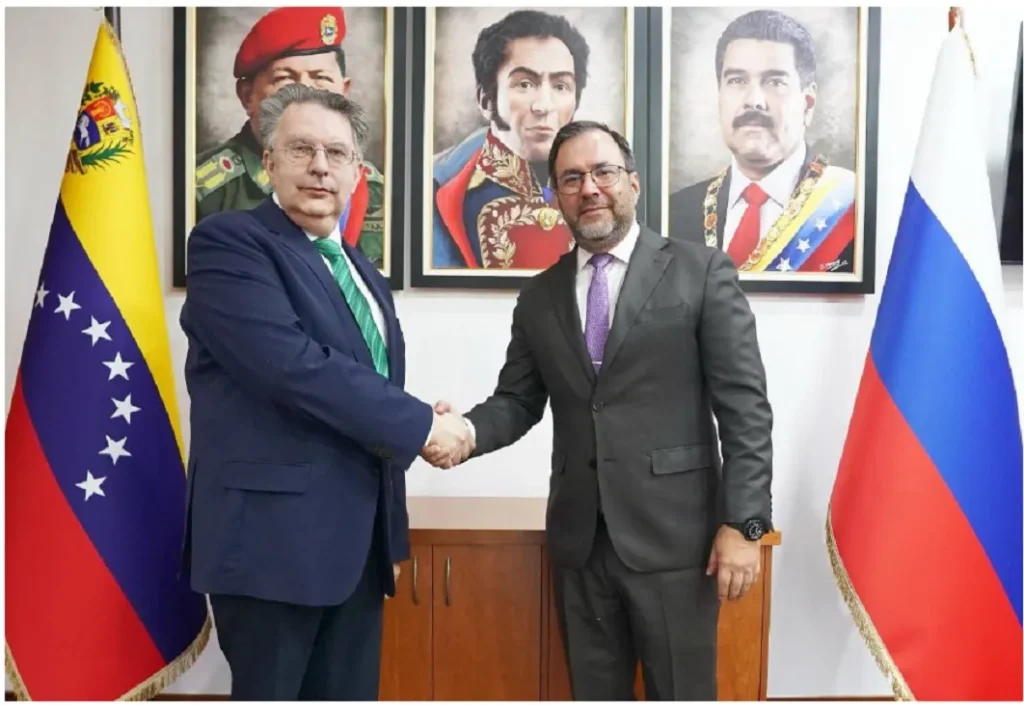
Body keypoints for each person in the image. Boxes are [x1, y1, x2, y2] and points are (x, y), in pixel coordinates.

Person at [425, 121, 774, 700]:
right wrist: (464, 432)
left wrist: (746, 525)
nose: (589, 188)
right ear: (555, 196)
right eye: (571, 178)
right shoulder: (539, 296)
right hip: (580, 546)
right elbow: (517, 401)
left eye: (603, 172)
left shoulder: (702, 272)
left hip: (678, 545)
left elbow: (746, 410)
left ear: (632, 183)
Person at [179, 84, 470, 700]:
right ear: (268, 162)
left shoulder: (363, 271)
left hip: (355, 554)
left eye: (336, 154)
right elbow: (294, 368)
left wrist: (388, 537)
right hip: (271, 549)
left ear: (357, 172)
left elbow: (366, 399)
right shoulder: (229, 244)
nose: (320, 166)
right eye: (301, 149)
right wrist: (422, 425)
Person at [195, 6, 387, 267]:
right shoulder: (206, 191)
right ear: (248, 96)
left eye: (321, 79)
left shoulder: (375, 189)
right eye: (286, 80)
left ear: (344, 92)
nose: (306, 94)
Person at [667, 9, 855, 274]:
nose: (753, 100)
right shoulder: (674, 212)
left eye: (774, 82)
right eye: (737, 80)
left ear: (808, 103)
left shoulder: (851, 209)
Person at [432, 9, 589, 270]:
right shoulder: (438, 189)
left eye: (561, 86)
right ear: (486, 100)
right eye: (524, 84)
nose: (544, 106)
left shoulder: (597, 188)